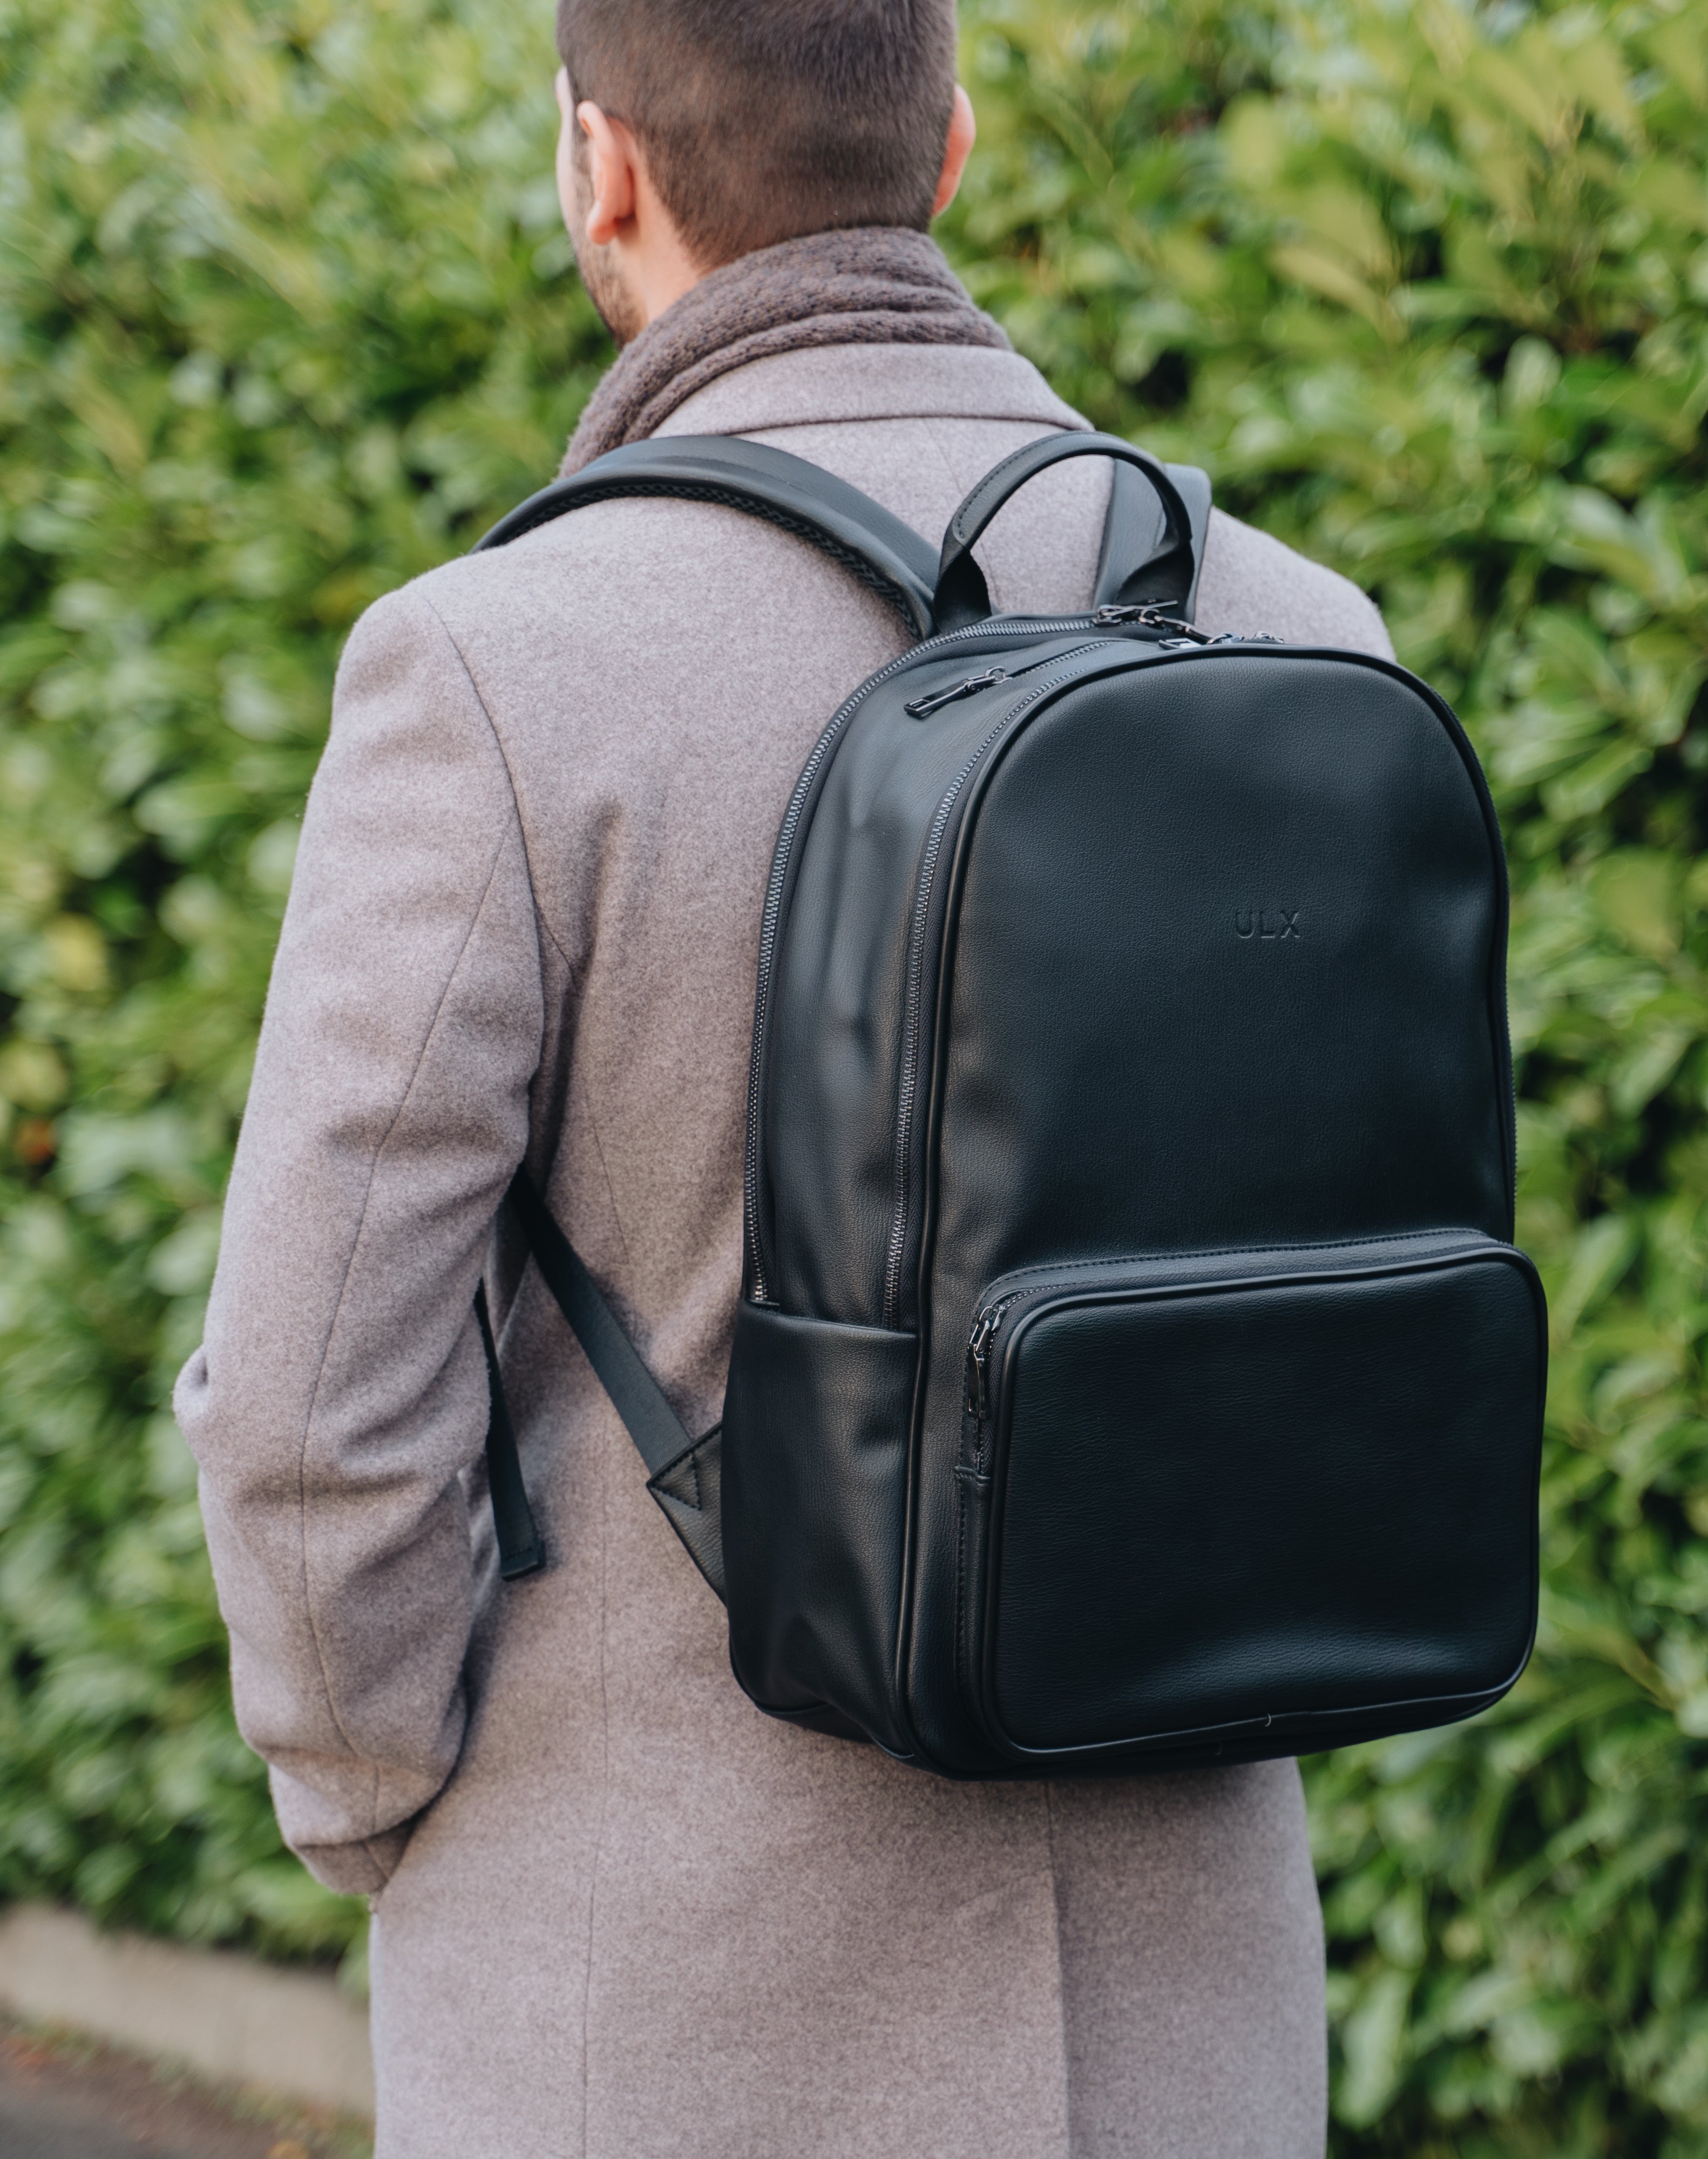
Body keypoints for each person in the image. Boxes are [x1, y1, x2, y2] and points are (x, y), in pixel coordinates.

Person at [177, 1, 1395, 2150]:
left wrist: (373, 1794)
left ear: (597, 168)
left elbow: (304, 1402)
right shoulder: (1302, 632)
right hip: (1177, 1973)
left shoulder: (496, 665)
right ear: (951, 152)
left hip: (648, 1984)